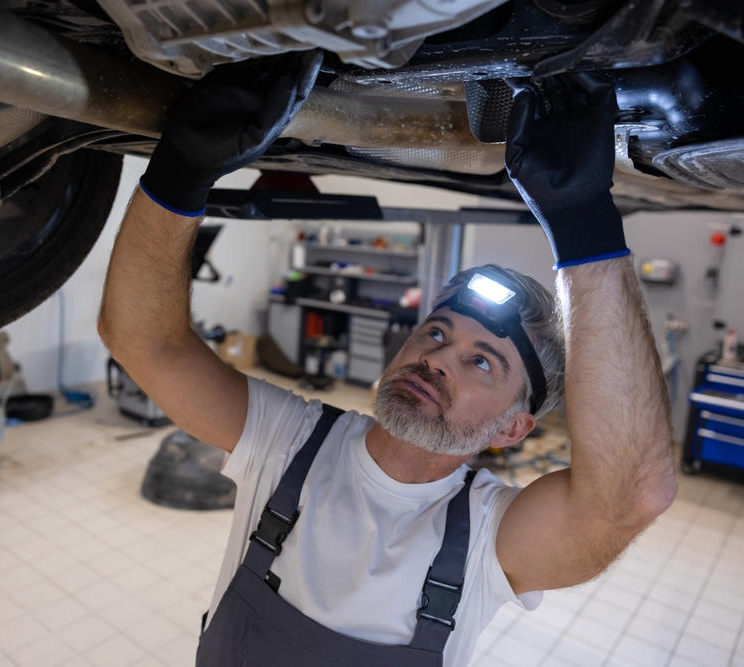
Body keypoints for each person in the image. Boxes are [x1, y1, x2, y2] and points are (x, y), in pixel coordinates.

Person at [98, 51, 677, 667]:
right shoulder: (292, 441)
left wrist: (584, 226)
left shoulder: (487, 538)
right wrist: (178, 173)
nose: (439, 360)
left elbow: (630, 496)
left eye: (482, 362)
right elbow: (142, 340)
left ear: (513, 428)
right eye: (436, 334)